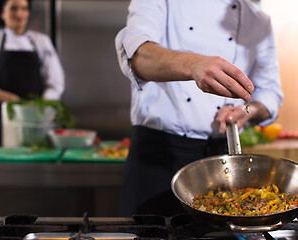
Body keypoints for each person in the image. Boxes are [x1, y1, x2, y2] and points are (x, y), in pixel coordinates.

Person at [115, 0, 283, 217]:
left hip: (222, 166)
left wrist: (247, 111)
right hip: (158, 160)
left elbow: (270, 94)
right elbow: (138, 56)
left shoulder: (258, 19)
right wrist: (194, 64)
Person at [0, 0, 64, 146]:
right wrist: (11, 99)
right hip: (3, 117)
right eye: (13, 8)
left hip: (37, 120)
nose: (19, 13)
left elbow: (56, 82)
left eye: (24, 9)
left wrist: (40, 107)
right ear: (2, 13)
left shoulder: (42, 41)